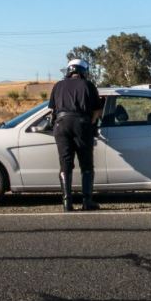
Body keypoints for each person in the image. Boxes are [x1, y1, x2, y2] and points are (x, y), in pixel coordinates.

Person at [49, 59, 102, 211]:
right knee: (86, 165)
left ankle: (67, 203)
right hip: (81, 124)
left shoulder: (58, 85)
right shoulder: (88, 85)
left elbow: (52, 109)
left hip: (61, 125)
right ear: (83, 71)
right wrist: (91, 124)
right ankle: (87, 202)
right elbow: (97, 111)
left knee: (65, 164)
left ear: (69, 71)